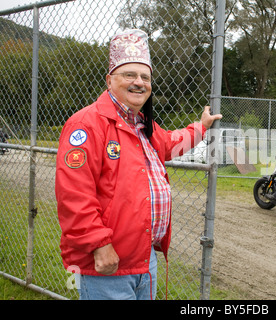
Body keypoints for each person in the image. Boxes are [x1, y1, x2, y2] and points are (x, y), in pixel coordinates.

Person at [55, 29, 222, 300]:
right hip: (108, 264)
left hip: (144, 260)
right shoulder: (86, 124)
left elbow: (169, 143)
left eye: (145, 77)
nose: (139, 82)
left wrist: (200, 128)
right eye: (129, 75)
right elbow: (74, 195)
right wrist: (99, 245)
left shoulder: (143, 124)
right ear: (110, 80)